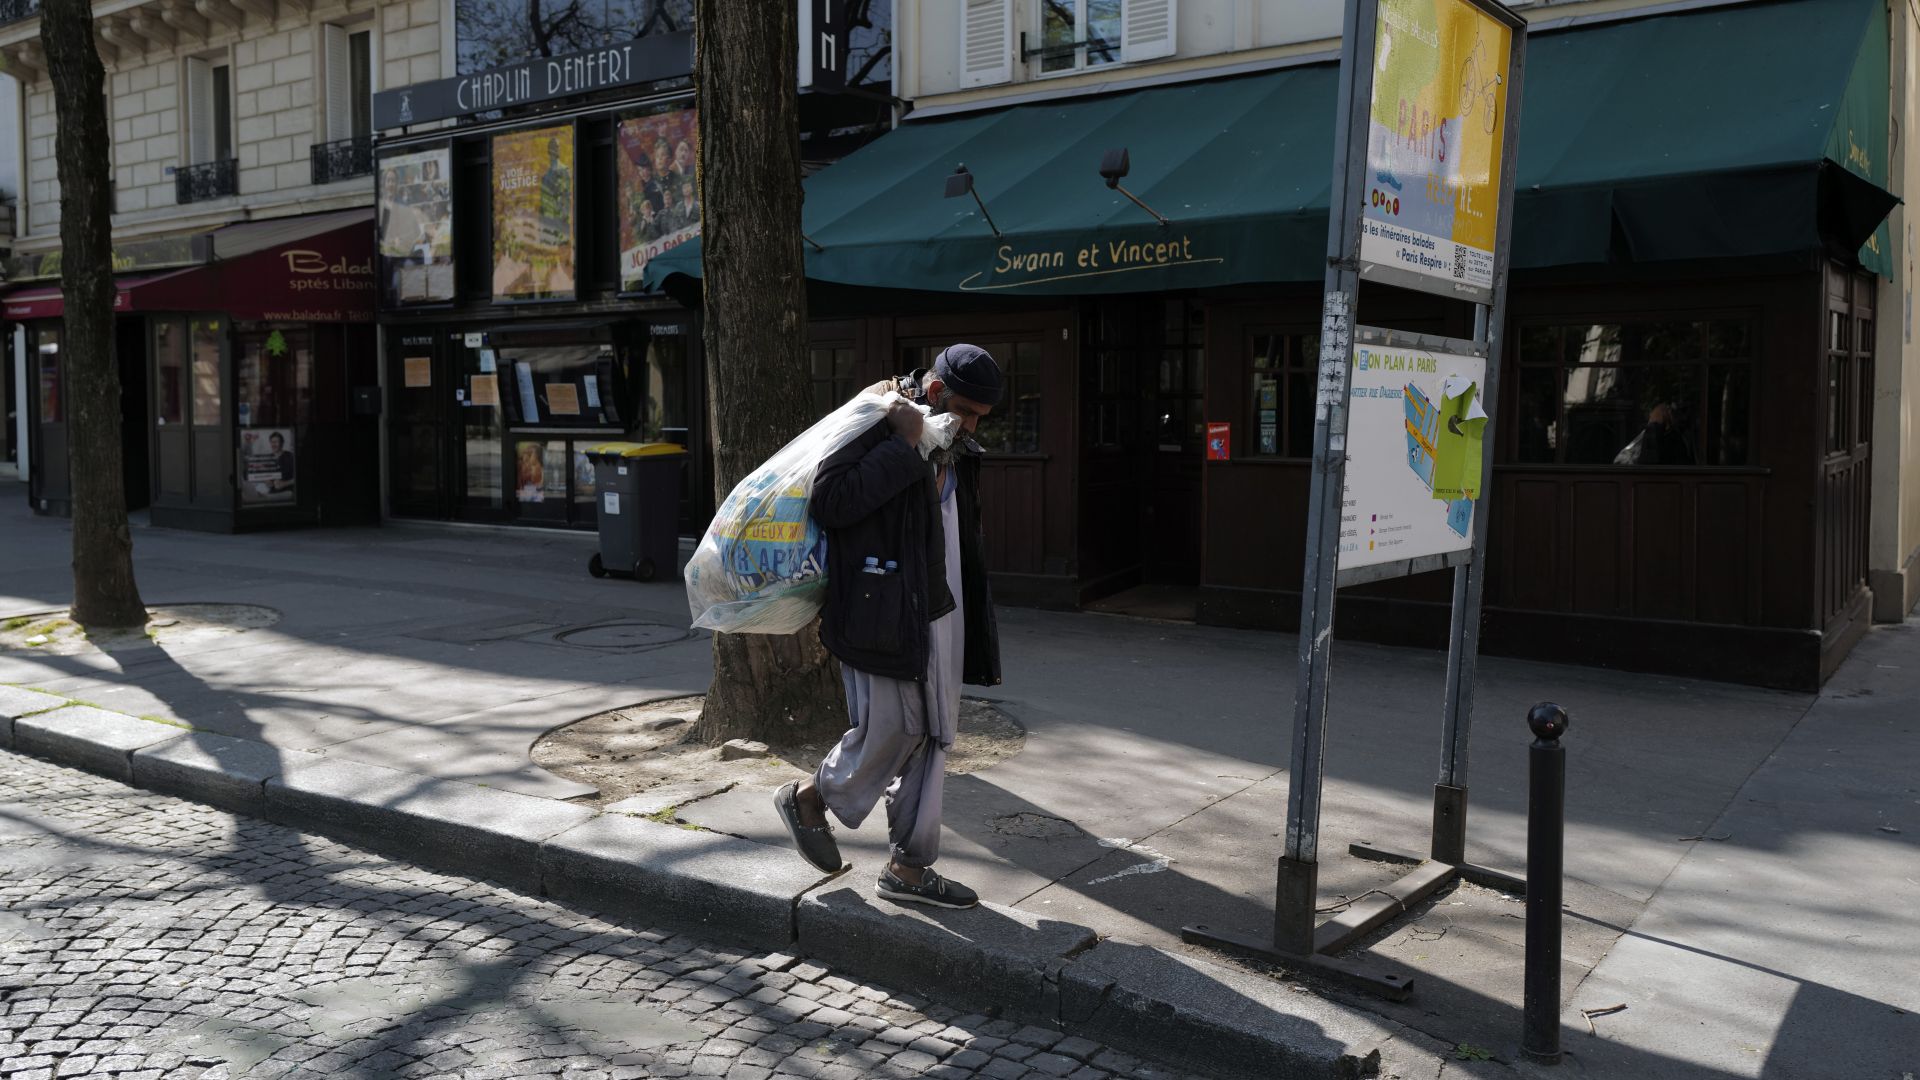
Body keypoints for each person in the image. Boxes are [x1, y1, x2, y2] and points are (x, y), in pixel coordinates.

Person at [775, 345, 1004, 909]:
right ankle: (809, 796)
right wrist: (903, 442)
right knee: (896, 730)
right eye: (967, 412)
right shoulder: (877, 420)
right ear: (934, 392)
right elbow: (832, 501)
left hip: (938, 607)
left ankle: (908, 868)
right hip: (880, 611)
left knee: (933, 733)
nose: (972, 426)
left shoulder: (954, 440)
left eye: (981, 417)